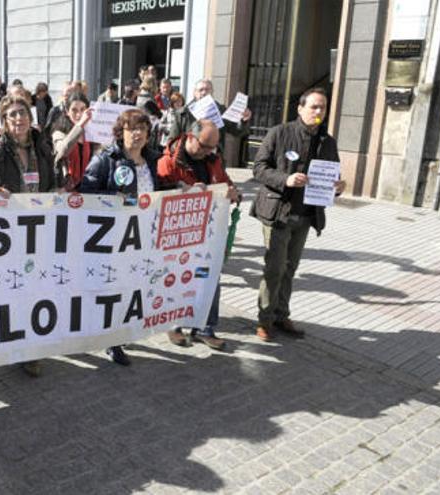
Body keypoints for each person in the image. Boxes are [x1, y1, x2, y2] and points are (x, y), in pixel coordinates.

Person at [251, 87, 346, 341]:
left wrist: (338, 187)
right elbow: (259, 168)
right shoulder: (279, 133)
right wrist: (286, 179)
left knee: (290, 268)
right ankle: (265, 319)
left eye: (323, 108)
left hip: (305, 216)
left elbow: (332, 175)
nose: (318, 112)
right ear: (300, 108)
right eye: (314, 106)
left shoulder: (328, 141)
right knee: (275, 267)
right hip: (278, 212)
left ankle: (281, 315)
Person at [0, 95, 55, 377]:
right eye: (12, 115)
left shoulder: (44, 150)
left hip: (38, 234)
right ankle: (9, 345)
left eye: (23, 113)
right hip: (7, 239)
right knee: (11, 292)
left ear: (31, 117)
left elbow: (51, 185)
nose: (19, 119)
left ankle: (31, 350)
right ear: (4, 122)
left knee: (36, 291)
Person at [80, 109, 164, 366]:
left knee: (133, 286)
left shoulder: (153, 159)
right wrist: (108, 198)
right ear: (121, 132)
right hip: (113, 238)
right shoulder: (106, 158)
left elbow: (164, 191)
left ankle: (124, 330)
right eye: (131, 128)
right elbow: (85, 191)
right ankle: (112, 340)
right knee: (114, 287)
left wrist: (184, 189)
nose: (137, 134)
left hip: (143, 236)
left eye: (142, 128)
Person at [158, 120, 241, 350]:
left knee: (209, 277)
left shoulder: (213, 161)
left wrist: (234, 193)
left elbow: (227, 184)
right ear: (190, 137)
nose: (208, 151)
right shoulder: (169, 161)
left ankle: (204, 327)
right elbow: (157, 194)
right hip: (178, 235)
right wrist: (180, 190)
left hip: (208, 234)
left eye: (212, 147)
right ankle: (174, 324)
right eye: (204, 145)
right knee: (176, 277)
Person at [165, 78, 252, 154]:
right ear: (195, 93)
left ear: (212, 92)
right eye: (201, 90)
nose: (204, 93)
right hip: (189, 162)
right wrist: (189, 146)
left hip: (213, 162)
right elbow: (171, 141)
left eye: (207, 90)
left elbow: (236, 131)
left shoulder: (221, 110)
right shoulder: (183, 113)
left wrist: (243, 120)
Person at [51, 91, 95, 191]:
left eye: (82, 109)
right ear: (67, 112)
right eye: (74, 110)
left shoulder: (90, 132)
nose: (79, 114)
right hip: (66, 188)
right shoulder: (59, 132)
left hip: (87, 187)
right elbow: (63, 150)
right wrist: (80, 125)